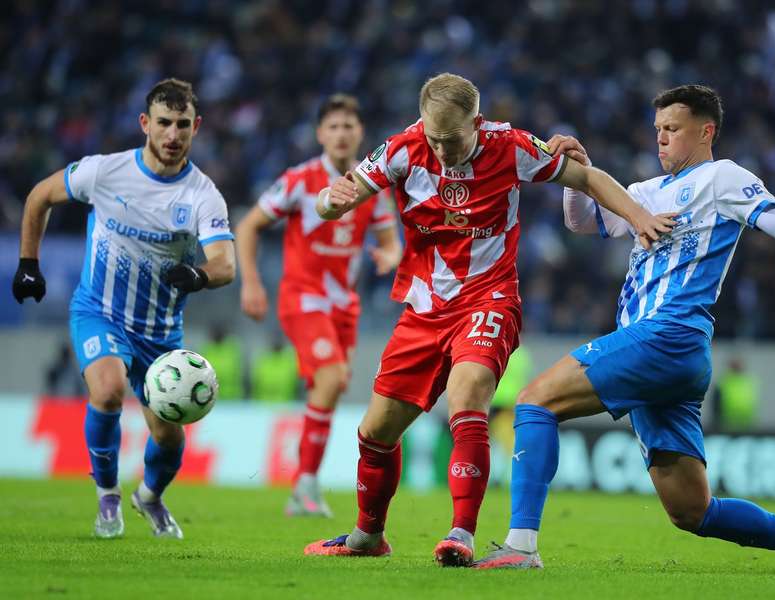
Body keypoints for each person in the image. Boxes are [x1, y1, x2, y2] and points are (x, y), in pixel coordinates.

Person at [473, 85, 775, 576]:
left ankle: (521, 545)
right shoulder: (644, 194)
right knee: (693, 512)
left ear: (705, 131)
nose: (661, 140)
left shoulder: (722, 178)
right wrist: (575, 176)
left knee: (535, 401)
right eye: (658, 130)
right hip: (669, 358)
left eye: (673, 130)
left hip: (668, 335)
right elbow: (582, 224)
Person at [303, 73, 674, 566]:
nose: (441, 150)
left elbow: (588, 177)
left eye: (452, 139)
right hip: (424, 309)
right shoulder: (401, 148)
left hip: (488, 298)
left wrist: (638, 216)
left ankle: (461, 533)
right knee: (375, 434)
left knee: (467, 397)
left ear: (477, 123)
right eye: (433, 138)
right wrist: (333, 202)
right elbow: (333, 198)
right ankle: (367, 537)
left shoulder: (511, 145)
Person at [11, 78, 236, 539]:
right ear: (144, 124)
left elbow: (225, 264)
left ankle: (149, 496)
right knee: (109, 389)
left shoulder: (201, 194)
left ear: (197, 127)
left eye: (183, 125)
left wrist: (198, 275)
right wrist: (28, 263)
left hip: (160, 333)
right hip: (100, 311)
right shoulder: (104, 172)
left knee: (170, 436)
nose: (173, 135)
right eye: (164, 124)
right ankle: (107, 496)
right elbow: (39, 197)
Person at [235, 94, 401, 517]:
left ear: (360, 133)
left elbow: (390, 242)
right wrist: (251, 283)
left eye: (349, 126)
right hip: (303, 297)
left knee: (332, 384)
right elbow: (250, 225)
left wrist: (389, 256)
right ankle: (305, 487)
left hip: (345, 306)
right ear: (319, 134)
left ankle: (302, 486)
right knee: (329, 379)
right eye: (334, 126)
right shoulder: (299, 180)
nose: (342, 134)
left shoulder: (373, 188)